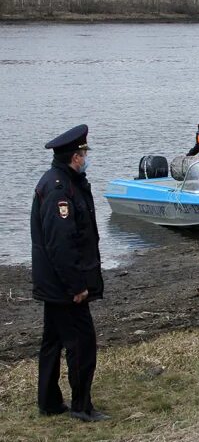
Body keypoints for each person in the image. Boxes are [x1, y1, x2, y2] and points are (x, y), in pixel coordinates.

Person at [31, 124, 109, 422]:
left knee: (53, 340)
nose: (86, 158)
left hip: (54, 283)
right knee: (82, 343)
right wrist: (77, 285)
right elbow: (60, 244)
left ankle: (49, 401)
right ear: (75, 157)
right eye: (83, 153)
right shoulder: (59, 189)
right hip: (64, 286)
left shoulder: (61, 181)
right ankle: (81, 406)